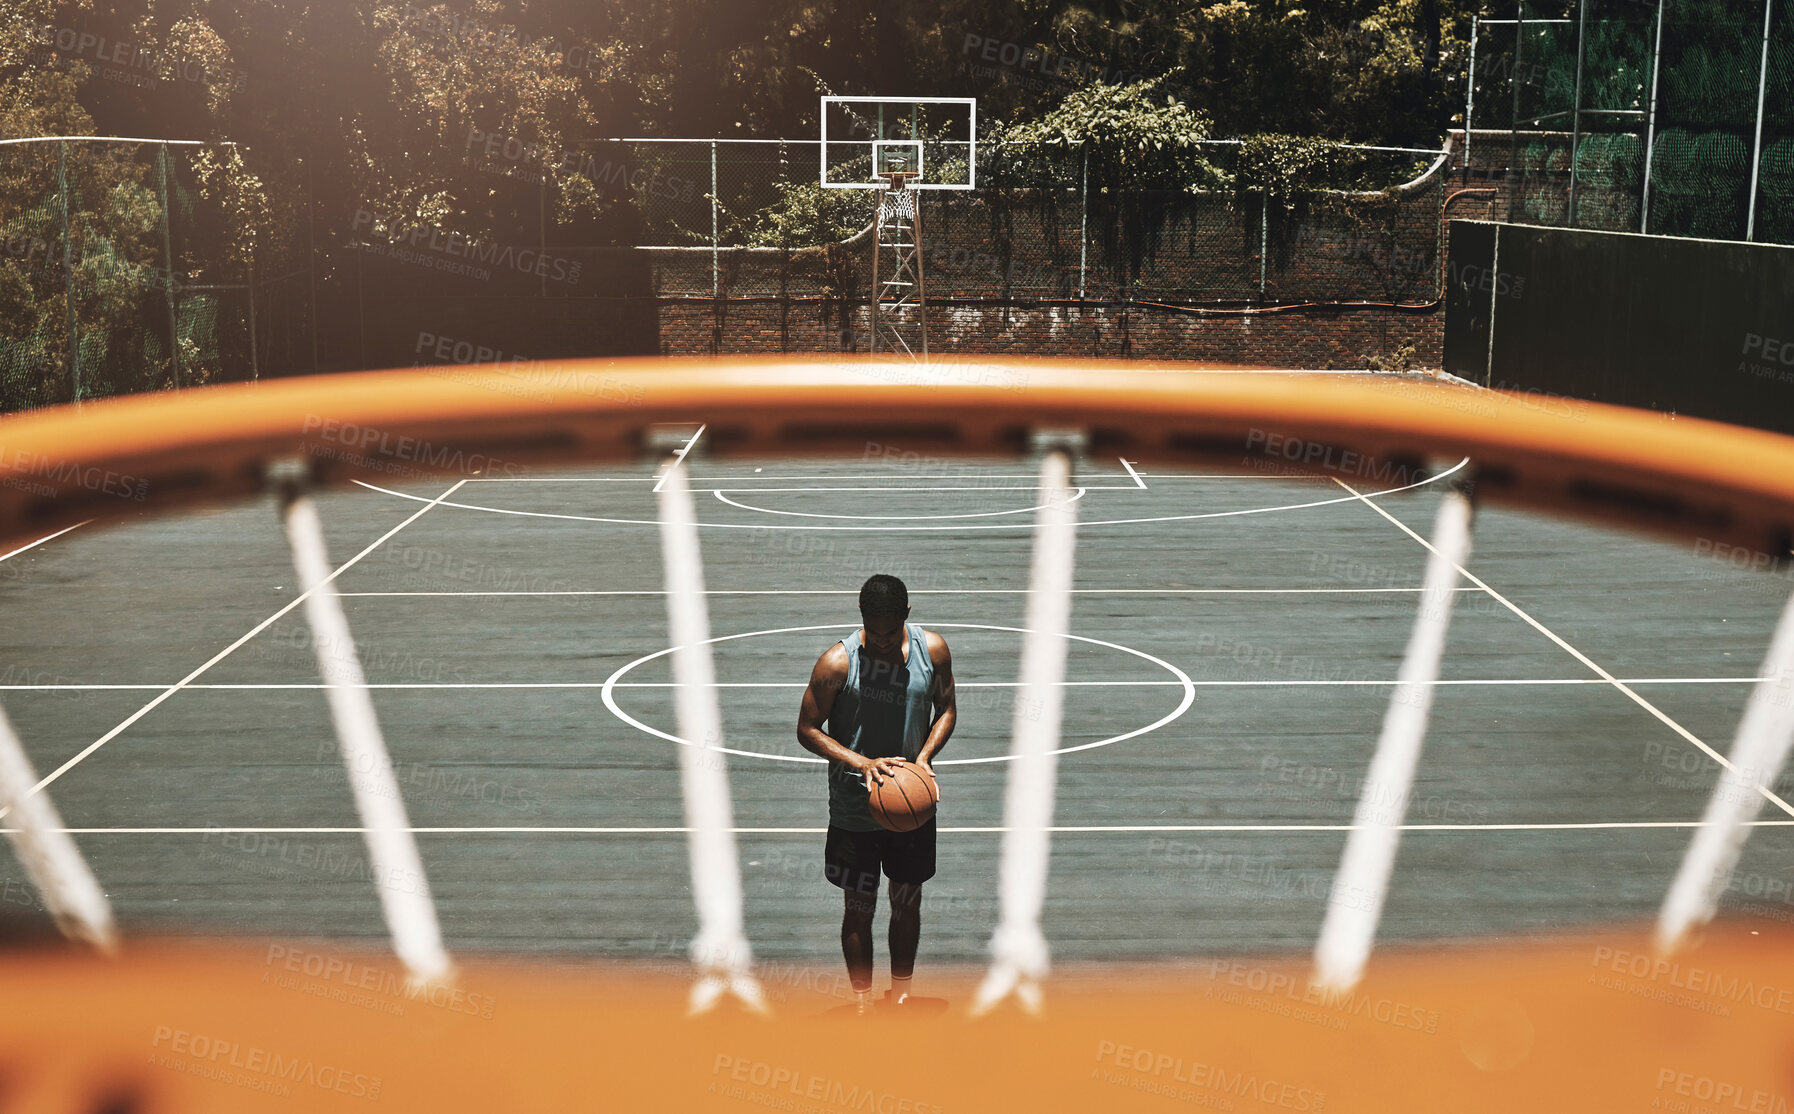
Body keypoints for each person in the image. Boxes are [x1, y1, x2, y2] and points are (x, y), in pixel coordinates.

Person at [796, 573, 956, 1014]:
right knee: (859, 906)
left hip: (912, 805)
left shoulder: (933, 651)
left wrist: (924, 759)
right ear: (861, 618)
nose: (881, 642)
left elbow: (946, 711)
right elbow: (807, 730)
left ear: (906, 614)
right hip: (855, 808)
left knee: (907, 901)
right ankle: (862, 1002)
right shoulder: (837, 664)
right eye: (873, 631)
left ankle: (902, 992)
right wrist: (861, 762)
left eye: (889, 632)